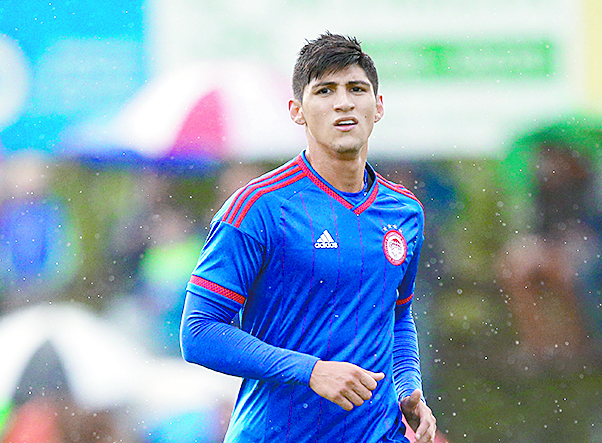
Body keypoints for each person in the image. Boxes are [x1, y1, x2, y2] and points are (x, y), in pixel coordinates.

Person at [180, 32, 437, 443]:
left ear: (378, 106)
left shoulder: (405, 212)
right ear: (297, 111)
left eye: (356, 89)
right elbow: (199, 332)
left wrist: (407, 386)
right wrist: (310, 370)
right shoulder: (258, 207)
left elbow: (398, 314)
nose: (343, 102)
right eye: (325, 91)